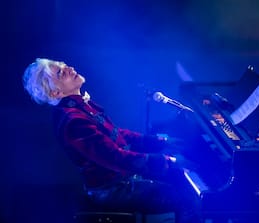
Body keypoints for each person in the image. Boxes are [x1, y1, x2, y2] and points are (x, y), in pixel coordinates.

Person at [22, 58, 202, 223]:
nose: (68, 68)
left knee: (180, 182)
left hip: (121, 180)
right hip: (112, 190)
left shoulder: (80, 108)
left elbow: (117, 134)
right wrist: (168, 161)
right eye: (60, 73)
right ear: (55, 92)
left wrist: (161, 141)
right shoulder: (73, 120)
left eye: (63, 65)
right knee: (186, 198)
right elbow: (115, 157)